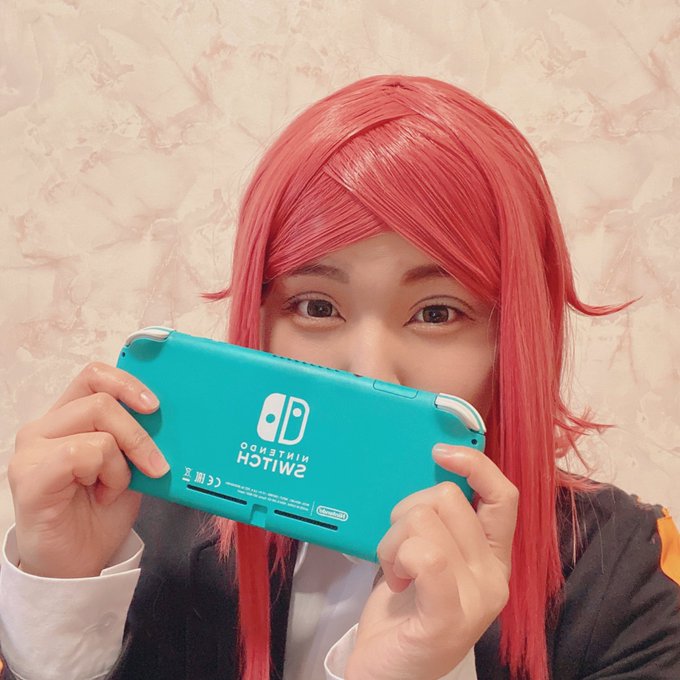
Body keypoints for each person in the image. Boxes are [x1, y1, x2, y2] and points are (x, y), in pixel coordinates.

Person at [1, 75, 679, 680]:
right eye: (317, 307)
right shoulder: (140, 518)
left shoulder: (628, 571)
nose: (369, 369)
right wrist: (57, 600)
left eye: (437, 312)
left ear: (514, 337)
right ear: (259, 318)